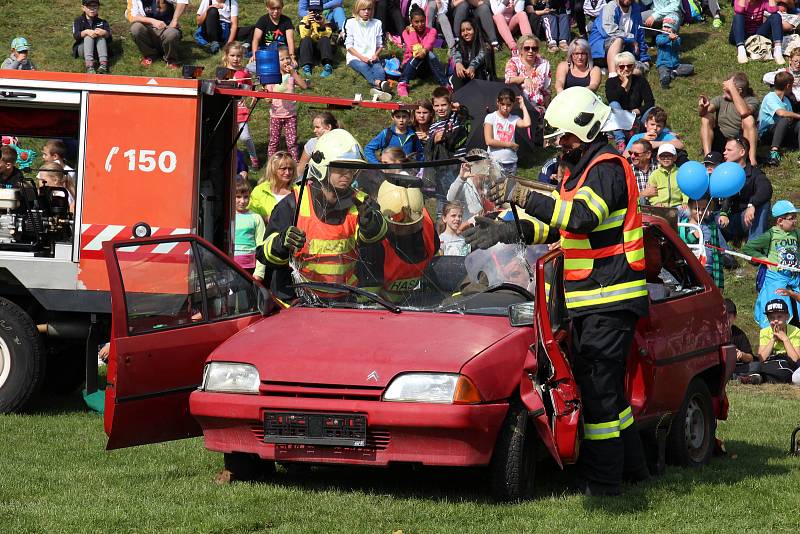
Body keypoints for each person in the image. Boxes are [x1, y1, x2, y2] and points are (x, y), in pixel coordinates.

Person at [466, 86, 649, 496]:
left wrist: (520, 194)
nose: (559, 142)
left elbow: (581, 217)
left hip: (609, 296)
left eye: (564, 135)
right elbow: (559, 225)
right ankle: (634, 469)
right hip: (591, 298)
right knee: (608, 391)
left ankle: (603, 484)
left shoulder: (606, 167)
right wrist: (506, 228)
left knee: (600, 394)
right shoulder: (581, 167)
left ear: (584, 130)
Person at [257, 129, 388, 301]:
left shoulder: (362, 204)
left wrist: (370, 223)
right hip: (299, 304)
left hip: (345, 302)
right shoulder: (293, 203)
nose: (347, 175)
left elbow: (377, 243)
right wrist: (281, 243)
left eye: (352, 169)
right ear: (322, 167)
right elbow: (263, 254)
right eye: (340, 168)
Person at [359, 178, 438, 303]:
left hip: (415, 306)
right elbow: (366, 300)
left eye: (412, 225)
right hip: (381, 310)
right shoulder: (376, 246)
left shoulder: (429, 230)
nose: (407, 231)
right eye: (399, 224)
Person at [743, 200, 800, 328]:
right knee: (778, 307)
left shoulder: (796, 233)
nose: (795, 221)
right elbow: (748, 248)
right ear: (780, 221)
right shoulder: (771, 234)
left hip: (794, 277)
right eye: (791, 218)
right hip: (776, 277)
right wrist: (764, 258)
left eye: (795, 218)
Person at [718, 137, 773, 242]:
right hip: (724, 219)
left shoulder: (754, 174)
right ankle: (721, 252)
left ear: (742, 152)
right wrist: (723, 213)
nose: (724, 153)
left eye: (729, 150)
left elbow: (766, 190)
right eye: (725, 149)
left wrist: (752, 205)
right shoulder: (721, 172)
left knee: (763, 203)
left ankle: (755, 246)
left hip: (746, 219)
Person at [698, 73, 760, 167]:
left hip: (739, 141)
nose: (723, 89)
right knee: (706, 117)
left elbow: (744, 112)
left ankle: (751, 161)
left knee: (749, 119)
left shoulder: (751, 101)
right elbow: (702, 113)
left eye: (727, 88)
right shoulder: (720, 99)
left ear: (738, 91)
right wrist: (704, 107)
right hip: (719, 139)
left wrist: (732, 89)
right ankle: (708, 157)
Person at [427, 87, 471, 214]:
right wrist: (434, 140)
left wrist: (460, 108)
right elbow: (431, 151)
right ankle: (440, 227)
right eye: (437, 105)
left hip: (460, 165)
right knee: (444, 201)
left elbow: (466, 116)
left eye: (444, 105)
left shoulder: (456, 117)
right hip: (444, 170)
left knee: (461, 199)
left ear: (450, 105)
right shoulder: (433, 127)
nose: (440, 108)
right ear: (433, 107)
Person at [605, 51, 654, 152]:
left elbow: (650, 102)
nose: (626, 69)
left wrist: (638, 111)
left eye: (629, 66)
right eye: (622, 67)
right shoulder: (611, 82)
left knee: (653, 110)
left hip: (636, 117)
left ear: (634, 66)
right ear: (616, 68)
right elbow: (613, 99)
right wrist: (625, 83)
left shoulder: (640, 81)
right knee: (614, 104)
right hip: (618, 120)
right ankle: (620, 141)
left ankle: (653, 135)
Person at [344, 0, 393, 102]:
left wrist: (376, 54)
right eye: (363, 9)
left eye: (369, 9)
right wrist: (362, 58)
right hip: (355, 57)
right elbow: (348, 46)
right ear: (358, 10)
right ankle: (379, 84)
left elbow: (380, 44)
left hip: (372, 56)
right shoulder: (350, 22)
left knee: (379, 69)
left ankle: (377, 89)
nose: (366, 12)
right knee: (364, 67)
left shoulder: (377, 23)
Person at [222, 42, 260, 169]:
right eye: (232, 55)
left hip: (240, 108)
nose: (235, 58)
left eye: (238, 56)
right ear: (227, 56)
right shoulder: (223, 71)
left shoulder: (244, 72)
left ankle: (254, 158)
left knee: (245, 137)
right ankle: (233, 159)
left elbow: (250, 85)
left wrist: (253, 94)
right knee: (229, 137)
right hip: (227, 108)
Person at [397, 6, 450, 97]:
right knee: (418, 54)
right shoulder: (406, 32)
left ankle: (445, 85)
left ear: (425, 19)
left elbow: (428, 45)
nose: (420, 24)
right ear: (411, 21)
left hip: (426, 68)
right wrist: (413, 32)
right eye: (416, 22)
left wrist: (424, 51)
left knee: (428, 53)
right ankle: (402, 83)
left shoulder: (432, 31)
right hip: (410, 67)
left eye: (422, 21)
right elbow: (415, 48)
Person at [266, 46, 308, 160]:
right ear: (276, 62)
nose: (286, 61)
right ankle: (271, 163)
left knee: (292, 142)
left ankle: (294, 163)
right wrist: (268, 98)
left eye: (287, 58)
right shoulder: (273, 77)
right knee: (274, 141)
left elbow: (304, 86)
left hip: (290, 115)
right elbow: (267, 95)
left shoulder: (291, 75)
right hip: (276, 115)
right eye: (282, 59)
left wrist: (293, 73)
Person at [589, 0, 650, 74]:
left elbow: (640, 34)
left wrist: (644, 59)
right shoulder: (610, 8)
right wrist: (631, 39)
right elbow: (609, 32)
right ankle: (613, 76)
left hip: (622, 52)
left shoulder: (635, 8)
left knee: (638, 70)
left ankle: (612, 68)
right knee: (618, 40)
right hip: (600, 52)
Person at [483, 89, 532, 176]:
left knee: (510, 188)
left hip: (511, 162)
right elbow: (489, 141)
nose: (505, 108)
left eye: (509, 105)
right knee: (495, 188)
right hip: (495, 162)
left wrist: (523, 106)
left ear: (513, 104)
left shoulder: (514, 118)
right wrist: (510, 145)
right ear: (498, 102)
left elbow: (527, 123)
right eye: (502, 104)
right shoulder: (490, 117)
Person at [680, 193, 724, 289]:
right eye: (696, 209)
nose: (700, 212)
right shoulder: (683, 226)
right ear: (690, 208)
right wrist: (694, 236)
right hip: (690, 273)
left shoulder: (711, 227)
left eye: (703, 209)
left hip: (708, 273)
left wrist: (720, 283)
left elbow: (717, 255)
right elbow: (682, 243)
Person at [126, 0, 188, 68]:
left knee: (172, 34)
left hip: (167, 28)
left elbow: (183, 1)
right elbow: (132, 16)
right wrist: (153, 21)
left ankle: (171, 60)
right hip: (148, 28)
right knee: (136, 28)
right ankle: (150, 55)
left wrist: (174, 20)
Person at [758, 71, 800, 166]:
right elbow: (781, 113)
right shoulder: (770, 97)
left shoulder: (786, 100)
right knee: (784, 119)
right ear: (788, 86)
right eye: (792, 85)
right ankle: (774, 152)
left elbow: (791, 119)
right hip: (767, 133)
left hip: (783, 132)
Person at [757, 299, 800, 383]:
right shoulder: (765, 332)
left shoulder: (796, 331)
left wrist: (785, 339)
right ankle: (761, 376)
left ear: (787, 317)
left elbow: (796, 359)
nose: (775, 321)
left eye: (779, 317)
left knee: (786, 372)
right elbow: (761, 358)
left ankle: (761, 377)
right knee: (756, 365)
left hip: (787, 362)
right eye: (772, 318)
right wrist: (773, 339)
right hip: (770, 362)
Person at [504, 35, 551, 111]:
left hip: (539, 108)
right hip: (519, 108)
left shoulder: (544, 64)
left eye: (534, 48)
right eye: (527, 48)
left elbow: (546, 91)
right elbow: (509, 79)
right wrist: (524, 79)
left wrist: (549, 111)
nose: (531, 51)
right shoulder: (514, 62)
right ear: (520, 49)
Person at [731, 0, 784, 65]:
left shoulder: (763, 2)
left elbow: (774, 10)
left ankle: (777, 51)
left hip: (756, 34)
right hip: (740, 34)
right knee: (738, 16)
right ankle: (741, 50)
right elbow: (739, 10)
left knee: (776, 16)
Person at [249, 151, 297, 221]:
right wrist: (265, 219)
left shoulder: (298, 191)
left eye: (290, 169)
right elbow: (250, 216)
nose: (287, 172)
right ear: (273, 170)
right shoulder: (259, 191)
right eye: (283, 169)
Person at [234, 178, 267, 280]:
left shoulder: (256, 217)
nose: (242, 201)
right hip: (229, 266)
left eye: (246, 197)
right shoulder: (228, 217)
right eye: (238, 197)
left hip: (250, 268)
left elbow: (261, 246)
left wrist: (259, 272)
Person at [450, 19, 496, 91]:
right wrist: (458, 63)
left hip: (481, 76)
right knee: (459, 69)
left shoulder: (485, 45)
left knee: (479, 68)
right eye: (463, 30)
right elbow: (455, 52)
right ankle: (457, 97)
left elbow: (480, 57)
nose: (465, 33)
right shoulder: (460, 45)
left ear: (475, 30)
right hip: (466, 76)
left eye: (468, 29)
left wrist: (472, 67)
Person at [252, 0, 297, 67]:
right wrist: (254, 55)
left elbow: (290, 40)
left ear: (282, 8)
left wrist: (291, 56)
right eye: (273, 9)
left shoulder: (287, 20)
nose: (276, 11)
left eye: (278, 8)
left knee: (293, 65)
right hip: (266, 49)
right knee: (254, 65)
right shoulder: (262, 20)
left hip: (283, 50)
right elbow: (256, 39)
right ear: (267, 8)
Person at [72, 0, 112, 74]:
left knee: (101, 36)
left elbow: (110, 39)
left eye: (94, 6)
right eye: (89, 7)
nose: (92, 9)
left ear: (98, 8)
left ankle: (103, 65)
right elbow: (76, 35)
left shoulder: (103, 22)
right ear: (83, 8)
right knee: (88, 36)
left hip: (99, 51)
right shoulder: (78, 21)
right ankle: (89, 65)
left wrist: (104, 33)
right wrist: (85, 32)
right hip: (83, 50)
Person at [297, 1, 335, 78]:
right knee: (306, 39)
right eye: (312, 11)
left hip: (321, 50)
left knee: (325, 39)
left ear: (321, 11)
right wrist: (308, 24)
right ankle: (306, 66)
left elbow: (328, 36)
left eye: (318, 11)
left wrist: (322, 26)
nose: (315, 13)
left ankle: (327, 65)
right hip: (308, 49)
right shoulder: (304, 20)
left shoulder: (325, 21)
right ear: (308, 11)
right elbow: (303, 36)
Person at [642, 143, 686, 209]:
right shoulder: (655, 174)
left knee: (688, 212)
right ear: (658, 158)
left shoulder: (680, 172)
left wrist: (685, 201)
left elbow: (685, 189)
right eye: (662, 156)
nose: (666, 158)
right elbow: (651, 194)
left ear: (675, 158)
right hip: (661, 206)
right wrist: (656, 202)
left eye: (669, 156)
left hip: (678, 204)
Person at [724, 298, 758, 380]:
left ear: (735, 317)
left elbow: (751, 357)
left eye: (728, 317)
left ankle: (733, 376)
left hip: (735, 366)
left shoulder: (739, 334)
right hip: (717, 367)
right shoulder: (711, 333)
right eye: (723, 317)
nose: (725, 321)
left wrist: (742, 355)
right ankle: (736, 376)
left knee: (757, 365)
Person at [655, 20, 693, 89]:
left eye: (669, 27)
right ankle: (664, 81)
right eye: (664, 27)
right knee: (663, 73)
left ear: (673, 29)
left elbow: (677, 47)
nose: (666, 29)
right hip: (663, 64)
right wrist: (669, 38)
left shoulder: (677, 39)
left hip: (675, 65)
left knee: (690, 68)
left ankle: (674, 73)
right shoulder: (659, 37)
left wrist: (673, 40)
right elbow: (660, 42)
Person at [298, 111, 338, 176]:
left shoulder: (340, 143)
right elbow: (301, 169)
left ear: (328, 127)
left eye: (317, 127)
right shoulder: (312, 143)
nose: (314, 130)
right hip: (312, 183)